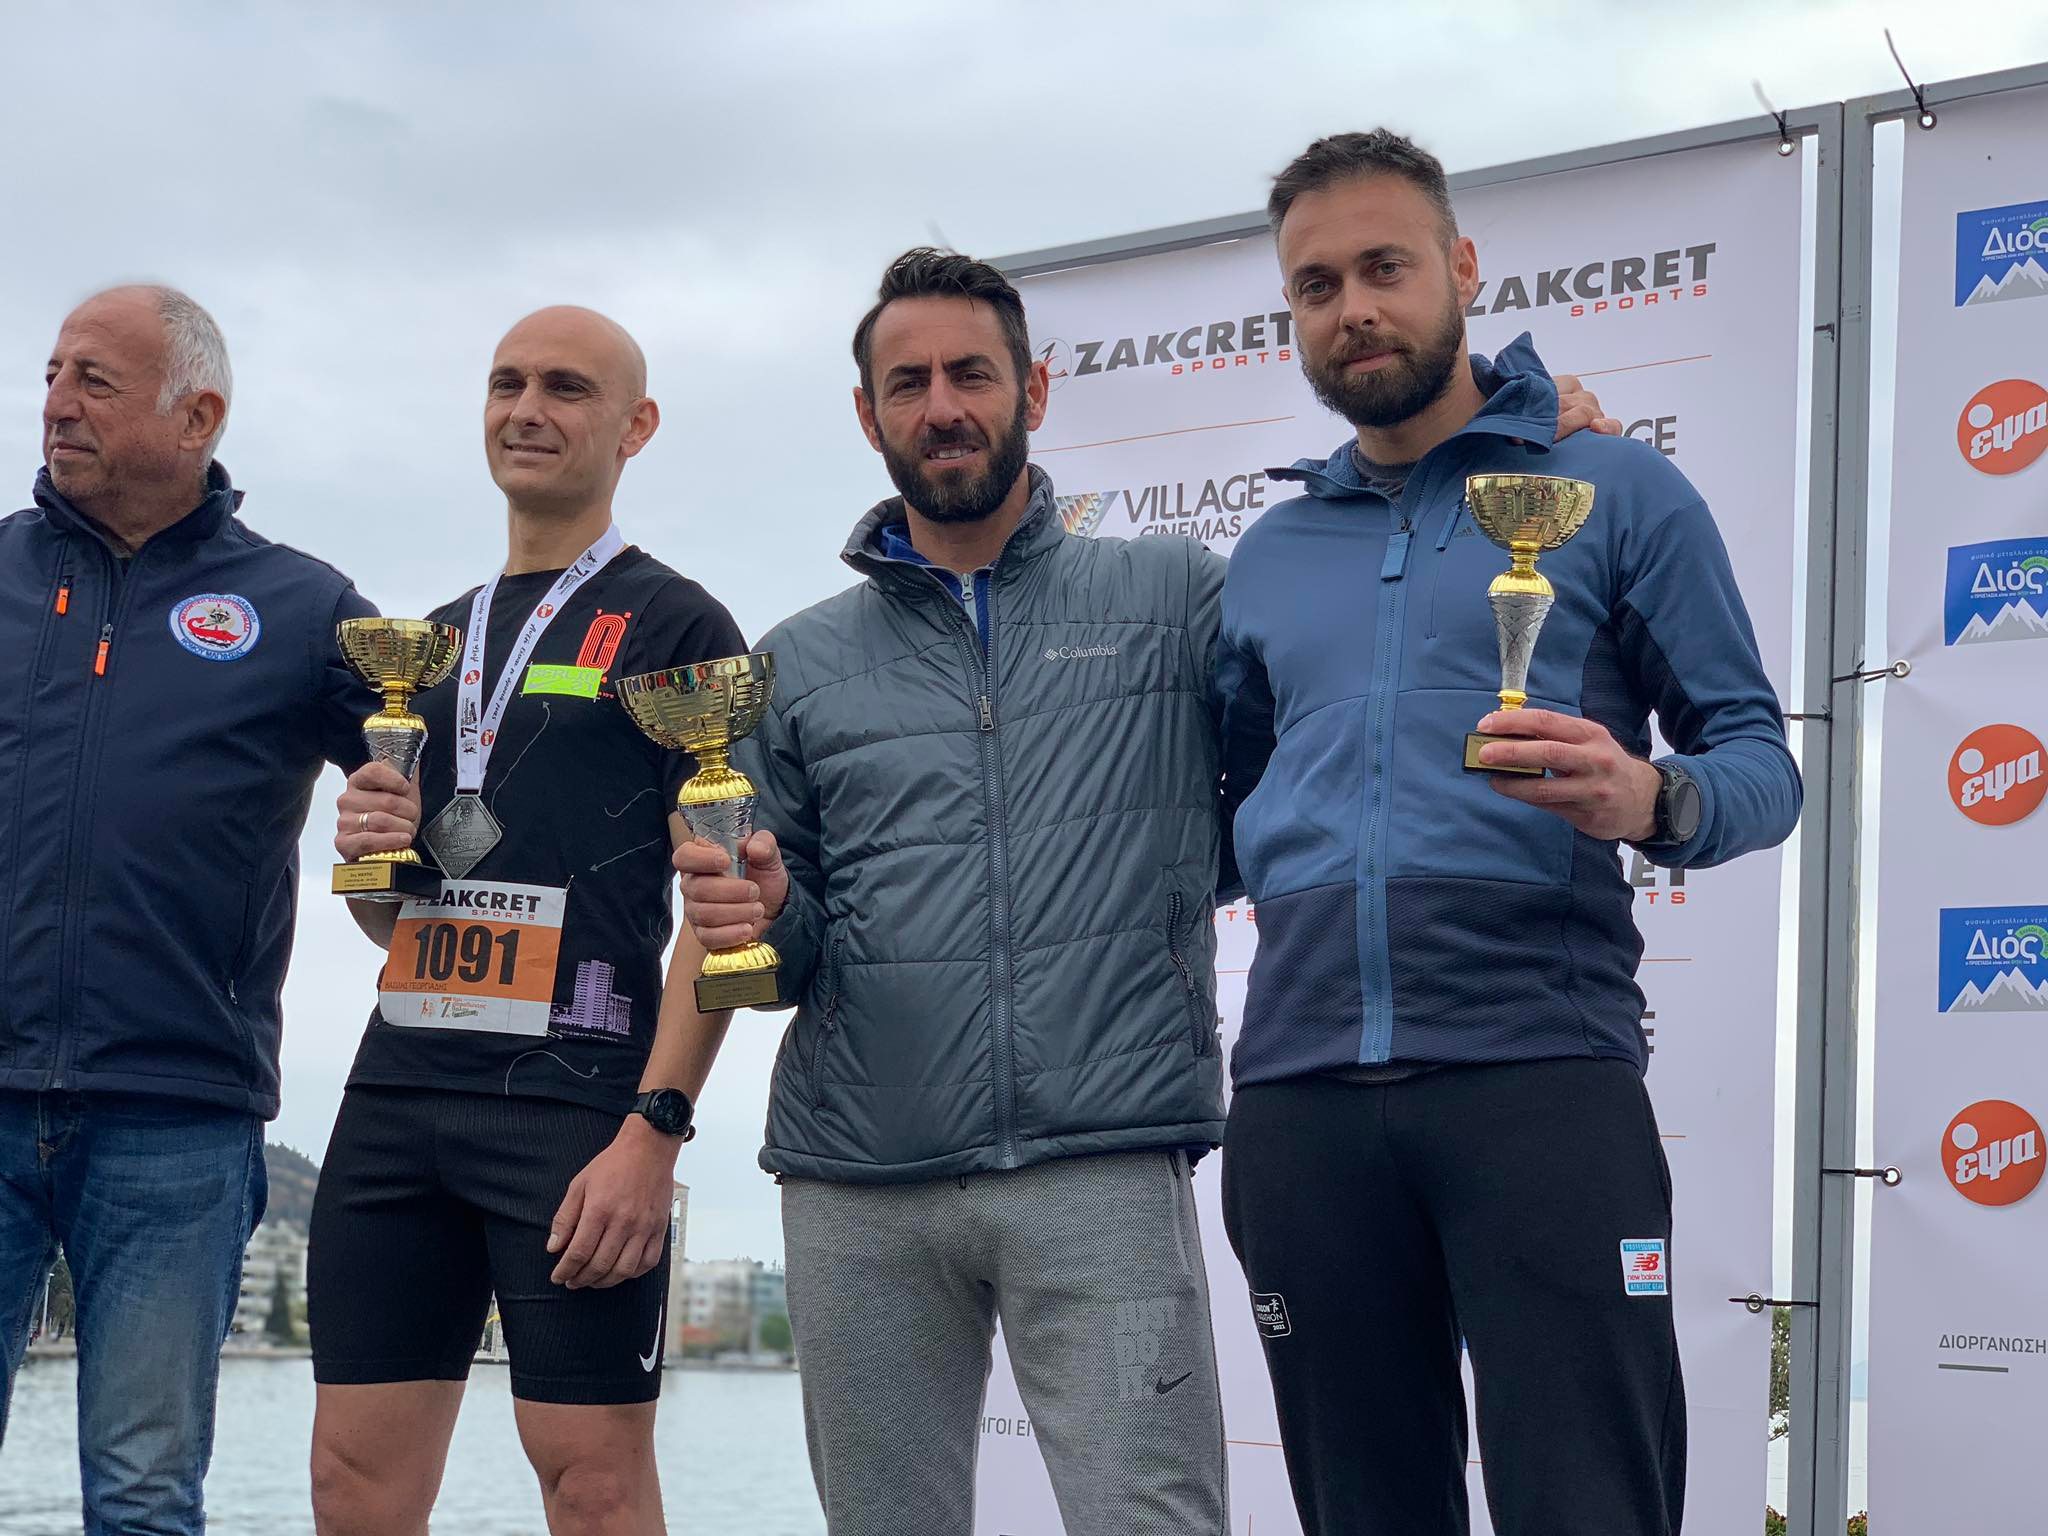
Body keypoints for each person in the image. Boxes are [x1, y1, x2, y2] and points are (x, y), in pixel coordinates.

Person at [670, 249, 1618, 1535]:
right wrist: (758, 917)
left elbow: (1351, 631)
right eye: (908, 383)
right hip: (854, 1186)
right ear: (866, 413)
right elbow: (784, 958)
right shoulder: (796, 661)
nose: (941, 407)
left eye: (971, 375)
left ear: (1032, 392)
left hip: (1103, 1160)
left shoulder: (1176, 595)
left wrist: (1512, 441)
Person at [1214, 129, 1803, 1535]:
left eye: (1385, 268)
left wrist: (1652, 799)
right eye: (1315, 286)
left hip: (1539, 1078)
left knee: (1588, 1506)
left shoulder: (1617, 489)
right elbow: (1218, 820)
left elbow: (1759, 761)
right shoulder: (1269, 555)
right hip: (1297, 1097)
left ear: (1462, 268)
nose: (1353, 309)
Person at [307, 306, 744, 1536]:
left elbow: (721, 915)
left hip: (574, 1101)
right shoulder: (430, 644)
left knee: (590, 1486)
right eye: (507, 384)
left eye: (565, 387)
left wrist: (655, 1131)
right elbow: (397, 921)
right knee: (349, 1484)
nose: (527, 410)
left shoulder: (677, 628)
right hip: (399, 1093)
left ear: (634, 426)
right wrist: (372, 859)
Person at [0, 285, 379, 1533]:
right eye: (52, 374)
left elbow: (432, 811)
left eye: (94, 381)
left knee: (144, 1491)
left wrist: (403, 824)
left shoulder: (307, 609)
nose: (57, 403)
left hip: (178, 1113)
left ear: (198, 416)